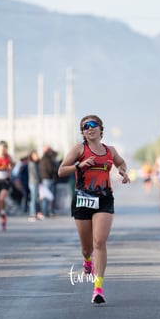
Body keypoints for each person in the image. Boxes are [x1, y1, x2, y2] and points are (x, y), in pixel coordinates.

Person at [58, 115, 130, 304]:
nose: (89, 129)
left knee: (99, 242)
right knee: (87, 247)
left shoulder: (110, 150)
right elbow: (61, 170)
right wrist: (79, 165)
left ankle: (98, 288)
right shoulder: (79, 149)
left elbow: (121, 163)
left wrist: (122, 171)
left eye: (93, 125)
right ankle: (87, 259)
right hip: (83, 199)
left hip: (104, 198)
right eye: (85, 127)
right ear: (82, 132)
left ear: (100, 129)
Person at [39, 146, 58, 217]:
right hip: (47, 179)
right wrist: (54, 171)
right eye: (50, 151)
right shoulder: (46, 159)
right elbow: (50, 169)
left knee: (47, 196)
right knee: (47, 196)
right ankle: (46, 212)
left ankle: (47, 212)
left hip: (47, 179)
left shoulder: (46, 159)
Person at [28, 149, 44, 221]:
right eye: (35, 155)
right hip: (33, 183)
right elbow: (35, 174)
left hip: (36, 183)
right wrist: (39, 182)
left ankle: (38, 213)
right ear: (31, 156)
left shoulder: (37, 163)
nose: (37, 156)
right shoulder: (32, 163)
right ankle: (32, 214)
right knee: (33, 199)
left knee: (37, 199)